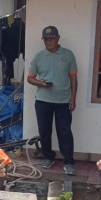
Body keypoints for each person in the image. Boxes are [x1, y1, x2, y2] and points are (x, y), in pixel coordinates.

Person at [27, 25, 77, 174]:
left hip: (63, 101)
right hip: (43, 100)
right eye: (46, 39)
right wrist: (41, 83)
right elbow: (30, 79)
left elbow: (73, 77)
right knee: (44, 131)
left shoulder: (68, 55)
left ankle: (69, 161)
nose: (49, 41)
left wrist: (73, 98)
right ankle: (48, 156)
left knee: (65, 131)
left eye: (51, 38)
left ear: (58, 38)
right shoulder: (39, 56)